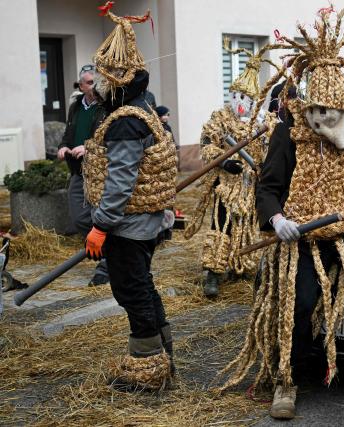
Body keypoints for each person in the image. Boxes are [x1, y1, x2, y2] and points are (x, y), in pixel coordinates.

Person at [217, 10, 344, 420]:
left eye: (329, 111)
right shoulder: (289, 132)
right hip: (302, 234)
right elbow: (268, 187)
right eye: (315, 111)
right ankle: (286, 379)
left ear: (342, 107)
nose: (321, 119)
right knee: (300, 297)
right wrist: (276, 221)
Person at [83, 3, 177, 390]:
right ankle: (164, 355)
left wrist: (101, 227)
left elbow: (121, 183)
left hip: (129, 227)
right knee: (144, 286)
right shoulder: (144, 110)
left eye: (104, 81)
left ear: (116, 83)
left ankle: (148, 371)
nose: (100, 88)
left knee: (131, 291)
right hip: (144, 225)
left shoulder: (125, 123)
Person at [183, 42, 277, 298]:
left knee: (249, 225)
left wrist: (264, 167)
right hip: (226, 185)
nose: (237, 102)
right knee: (221, 224)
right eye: (234, 95)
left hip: (252, 185)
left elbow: (272, 153)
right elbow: (206, 145)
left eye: (243, 98)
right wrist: (223, 162)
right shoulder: (220, 119)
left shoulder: (265, 122)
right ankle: (213, 272)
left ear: (254, 100)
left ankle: (243, 265)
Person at [58, 64, 109, 286]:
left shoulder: (106, 106)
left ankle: (107, 263)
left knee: (100, 215)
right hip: (78, 170)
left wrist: (89, 149)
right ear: (81, 86)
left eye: (96, 82)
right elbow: (69, 132)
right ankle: (106, 250)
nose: (94, 86)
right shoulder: (76, 106)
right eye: (89, 83)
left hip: (98, 171)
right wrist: (63, 146)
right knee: (79, 216)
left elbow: (108, 137)